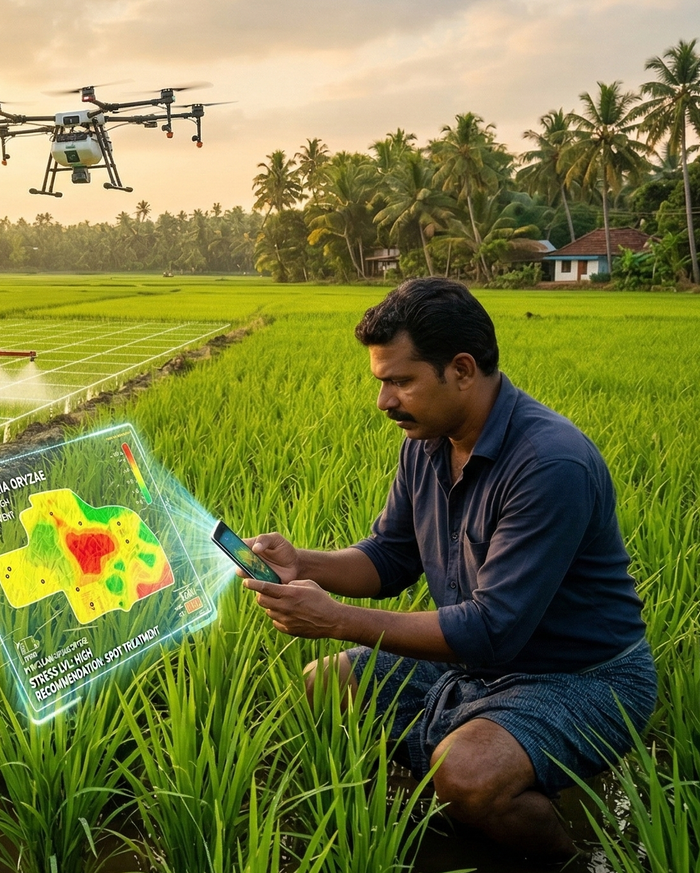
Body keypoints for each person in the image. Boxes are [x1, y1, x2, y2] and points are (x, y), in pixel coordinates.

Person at [239, 278, 654, 860]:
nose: (384, 402)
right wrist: (299, 561)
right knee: (325, 684)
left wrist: (335, 619)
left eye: (400, 381)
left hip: (579, 676)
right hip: (475, 662)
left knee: (466, 773)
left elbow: (491, 628)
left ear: (461, 370)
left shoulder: (550, 463)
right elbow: (389, 556)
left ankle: (578, 862)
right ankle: (430, 831)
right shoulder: (427, 441)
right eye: (381, 382)